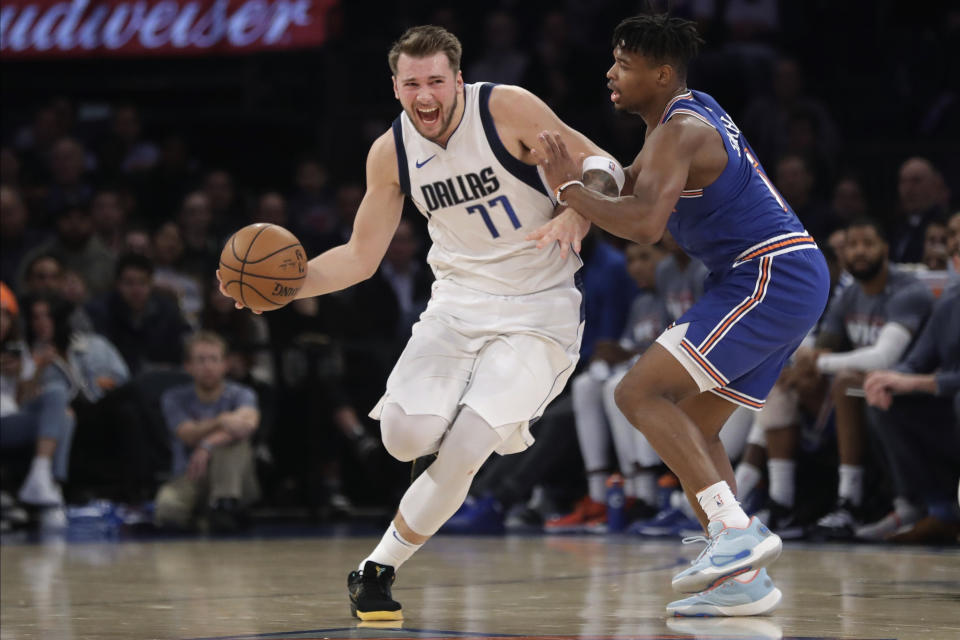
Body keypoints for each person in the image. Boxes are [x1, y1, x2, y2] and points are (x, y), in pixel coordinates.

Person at [218, 25, 623, 621]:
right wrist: (282, 290)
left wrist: (576, 215)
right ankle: (433, 458)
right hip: (456, 306)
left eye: (436, 80)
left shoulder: (504, 107)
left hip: (539, 308)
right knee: (404, 436)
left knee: (465, 447)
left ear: (458, 80)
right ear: (396, 88)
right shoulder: (392, 152)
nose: (425, 94)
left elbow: (605, 164)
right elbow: (359, 257)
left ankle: (376, 570)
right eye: (413, 83)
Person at [530, 14, 830, 616]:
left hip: (769, 273)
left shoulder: (681, 131)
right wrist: (592, 184)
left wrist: (567, 190)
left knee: (636, 393)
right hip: (780, 276)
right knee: (696, 425)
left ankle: (737, 533)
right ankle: (742, 579)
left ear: (661, 73)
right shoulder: (685, 115)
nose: (610, 73)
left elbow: (643, 225)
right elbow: (633, 193)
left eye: (624, 64)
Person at [154, 331, 260, 532]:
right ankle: (204, 519)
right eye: (200, 360)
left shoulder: (242, 394)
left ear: (225, 364)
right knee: (167, 512)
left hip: (235, 480)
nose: (208, 366)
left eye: (214, 359)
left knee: (232, 444)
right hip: (190, 476)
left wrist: (207, 444)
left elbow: (248, 425)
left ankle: (224, 505)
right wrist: (221, 420)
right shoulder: (174, 397)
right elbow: (187, 434)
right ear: (188, 366)